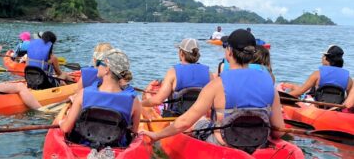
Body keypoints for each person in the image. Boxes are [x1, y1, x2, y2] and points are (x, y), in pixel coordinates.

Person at [141, 29, 284, 148]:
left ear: (229, 51)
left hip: (223, 143)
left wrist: (157, 135)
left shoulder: (217, 84)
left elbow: (184, 122)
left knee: (199, 121)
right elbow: (278, 131)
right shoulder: (269, 83)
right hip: (258, 143)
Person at [59, 49, 141, 147]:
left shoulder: (83, 94)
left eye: (99, 63)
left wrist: (61, 122)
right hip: (116, 148)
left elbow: (66, 128)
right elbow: (134, 132)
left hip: (85, 148)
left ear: (107, 69)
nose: (97, 66)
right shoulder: (134, 100)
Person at [141, 38, 211, 116]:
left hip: (176, 118)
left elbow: (158, 100)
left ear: (181, 53)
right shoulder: (209, 73)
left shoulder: (173, 72)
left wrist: (140, 104)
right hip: (200, 116)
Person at [283, 45, 352, 101]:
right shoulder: (349, 80)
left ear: (326, 58)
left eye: (323, 56)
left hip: (317, 106)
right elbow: (349, 99)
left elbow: (299, 92)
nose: (321, 58)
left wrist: (281, 97)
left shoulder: (317, 74)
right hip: (336, 106)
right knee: (294, 86)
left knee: (291, 89)